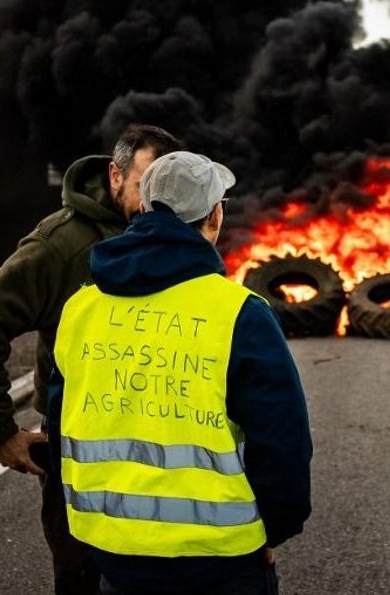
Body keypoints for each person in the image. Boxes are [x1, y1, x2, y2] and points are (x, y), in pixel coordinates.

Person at [47, 151, 312, 594]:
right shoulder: (240, 314)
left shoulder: (81, 308)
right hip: (221, 561)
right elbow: (283, 443)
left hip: (113, 553)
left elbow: (59, 422)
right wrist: (273, 532)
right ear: (215, 214)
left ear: (145, 207)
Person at [0, 124, 181, 594]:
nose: (155, 203)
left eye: (166, 189)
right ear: (115, 176)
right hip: (80, 454)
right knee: (83, 577)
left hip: (163, 444)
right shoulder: (63, 246)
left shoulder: (175, 237)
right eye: (144, 186)